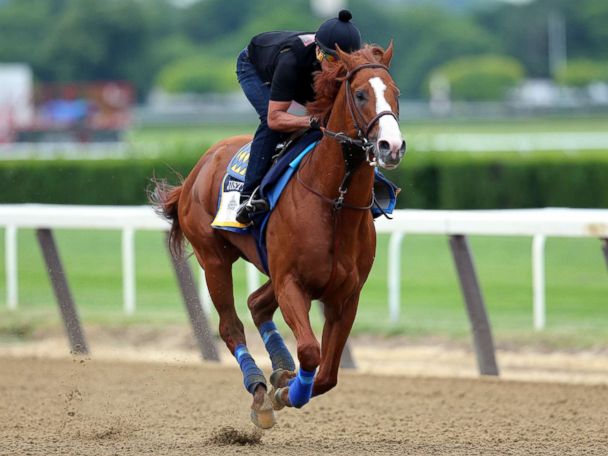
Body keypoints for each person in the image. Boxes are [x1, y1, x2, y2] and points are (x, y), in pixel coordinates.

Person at [235, 9, 362, 224]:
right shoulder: (291, 61)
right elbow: (275, 118)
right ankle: (248, 196)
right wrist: (310, 121)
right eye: (331, 58)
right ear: (319, 52)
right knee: (273, 126)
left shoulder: (340, 62)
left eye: (343, 61)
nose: (336, 67)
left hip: (304, 77)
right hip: (254, 68)